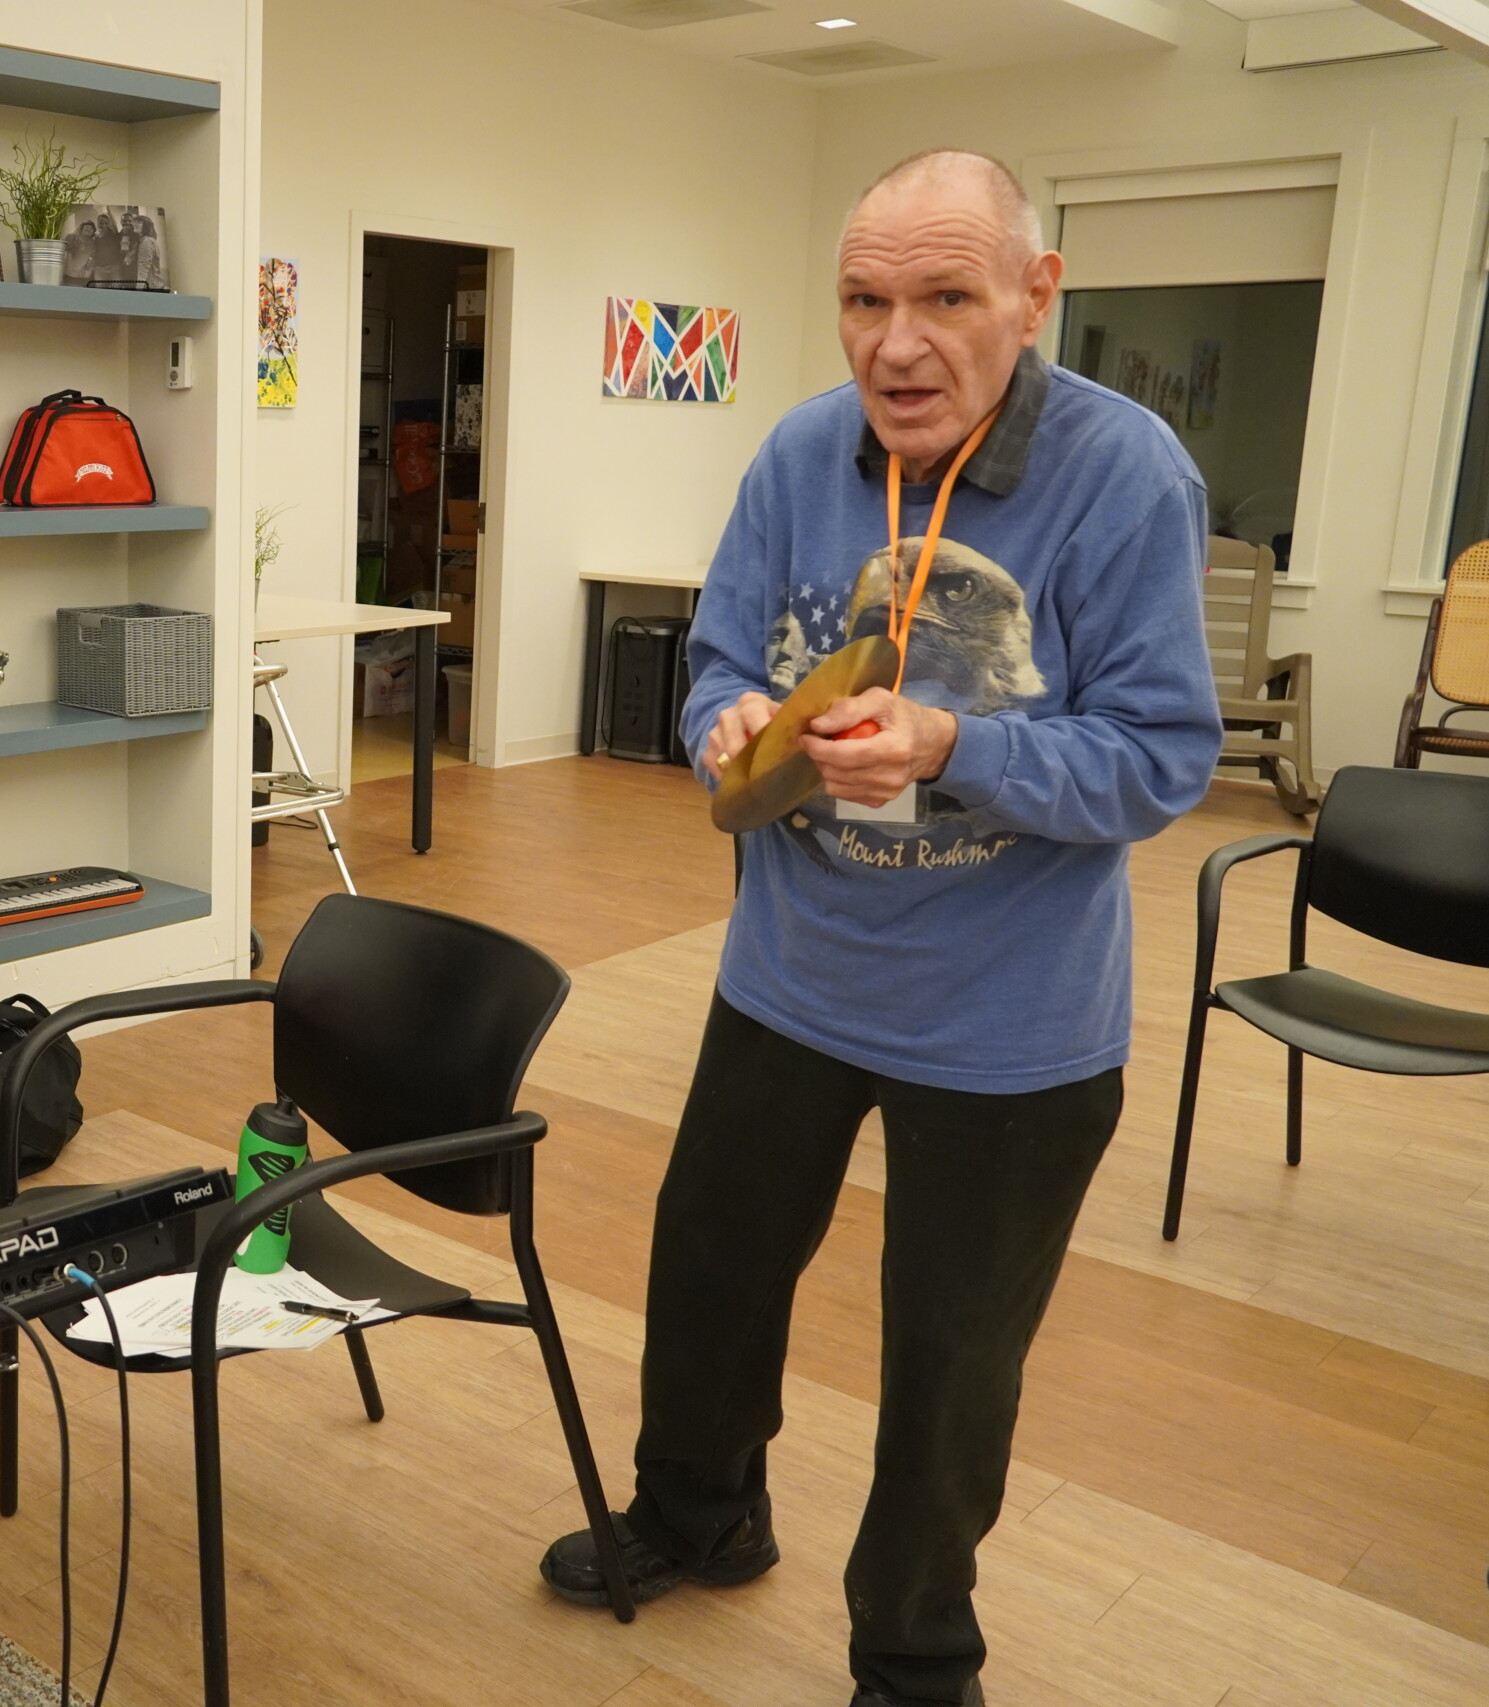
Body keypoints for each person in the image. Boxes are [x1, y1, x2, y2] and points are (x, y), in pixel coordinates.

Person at [537, 151, 1222, 1706]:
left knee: (949, 1360)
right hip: (789, 975)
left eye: (943, 298)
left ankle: (915, 1654)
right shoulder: (796, 453)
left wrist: (952, 745)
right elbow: (715, 655)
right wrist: (725, 725)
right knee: (711, 1267)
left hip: (1013, 1027)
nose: (894, 344)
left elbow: (1164, 756)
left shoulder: (1128, 476)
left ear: (1037, 298)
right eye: (862, 299)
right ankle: (698, 1514)